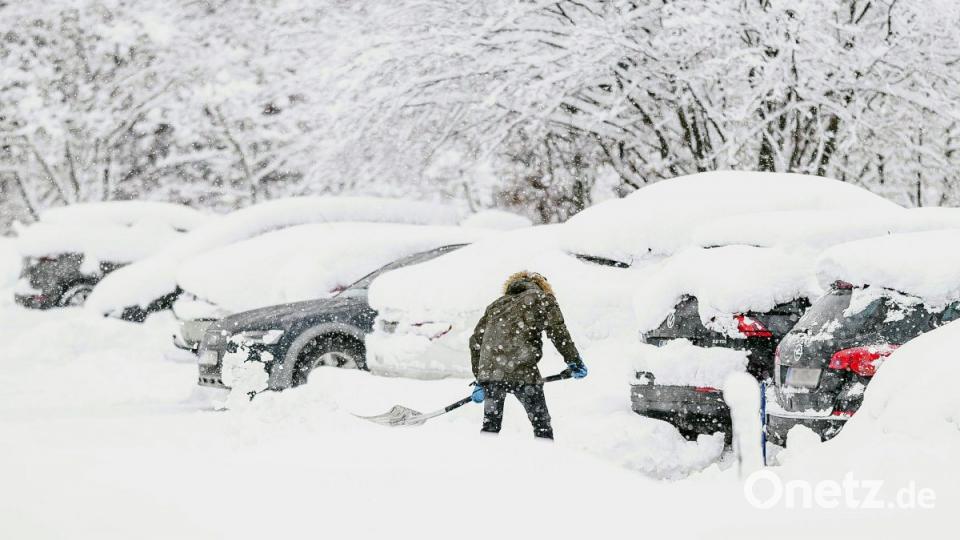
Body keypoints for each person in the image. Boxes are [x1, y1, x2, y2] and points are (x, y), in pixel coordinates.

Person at [468, 271, 588, 439]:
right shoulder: (542, 298)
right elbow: (559, 333)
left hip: (492, 375)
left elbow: (476, 342)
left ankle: (486, 460)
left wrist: (481, 378)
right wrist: (574, 362)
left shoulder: (496, 305)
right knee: (542, 425)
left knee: (490, 427)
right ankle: (544, 458)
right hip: (523, 373)